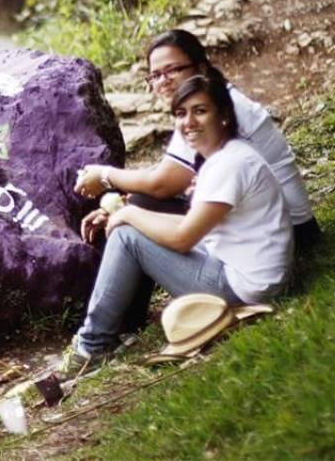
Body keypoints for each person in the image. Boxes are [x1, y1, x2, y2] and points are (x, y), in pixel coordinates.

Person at [62, 74, 293, 374]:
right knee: (132, 226)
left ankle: (90, 348)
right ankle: (102, 336)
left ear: (224, 115)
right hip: (249, 271)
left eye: (200, 111)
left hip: (245, 287)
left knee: (125, 236)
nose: (188, 122)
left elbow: (183, 237)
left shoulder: (229, 165)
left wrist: (127, 215)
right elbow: (191, 225)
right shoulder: (224, 157)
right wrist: (124, 213)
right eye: (181, 114)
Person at [75, 29, 320, 248]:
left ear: (201, 68)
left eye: (172, 70)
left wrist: (105, 177)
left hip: (287, 233)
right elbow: (175, 174)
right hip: (274, 221)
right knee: (136, 205)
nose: (163, 81)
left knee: (139, 210)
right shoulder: (212, 100)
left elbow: (162, 184)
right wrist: (118, 204)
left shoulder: (213, 111)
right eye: (155, 75)